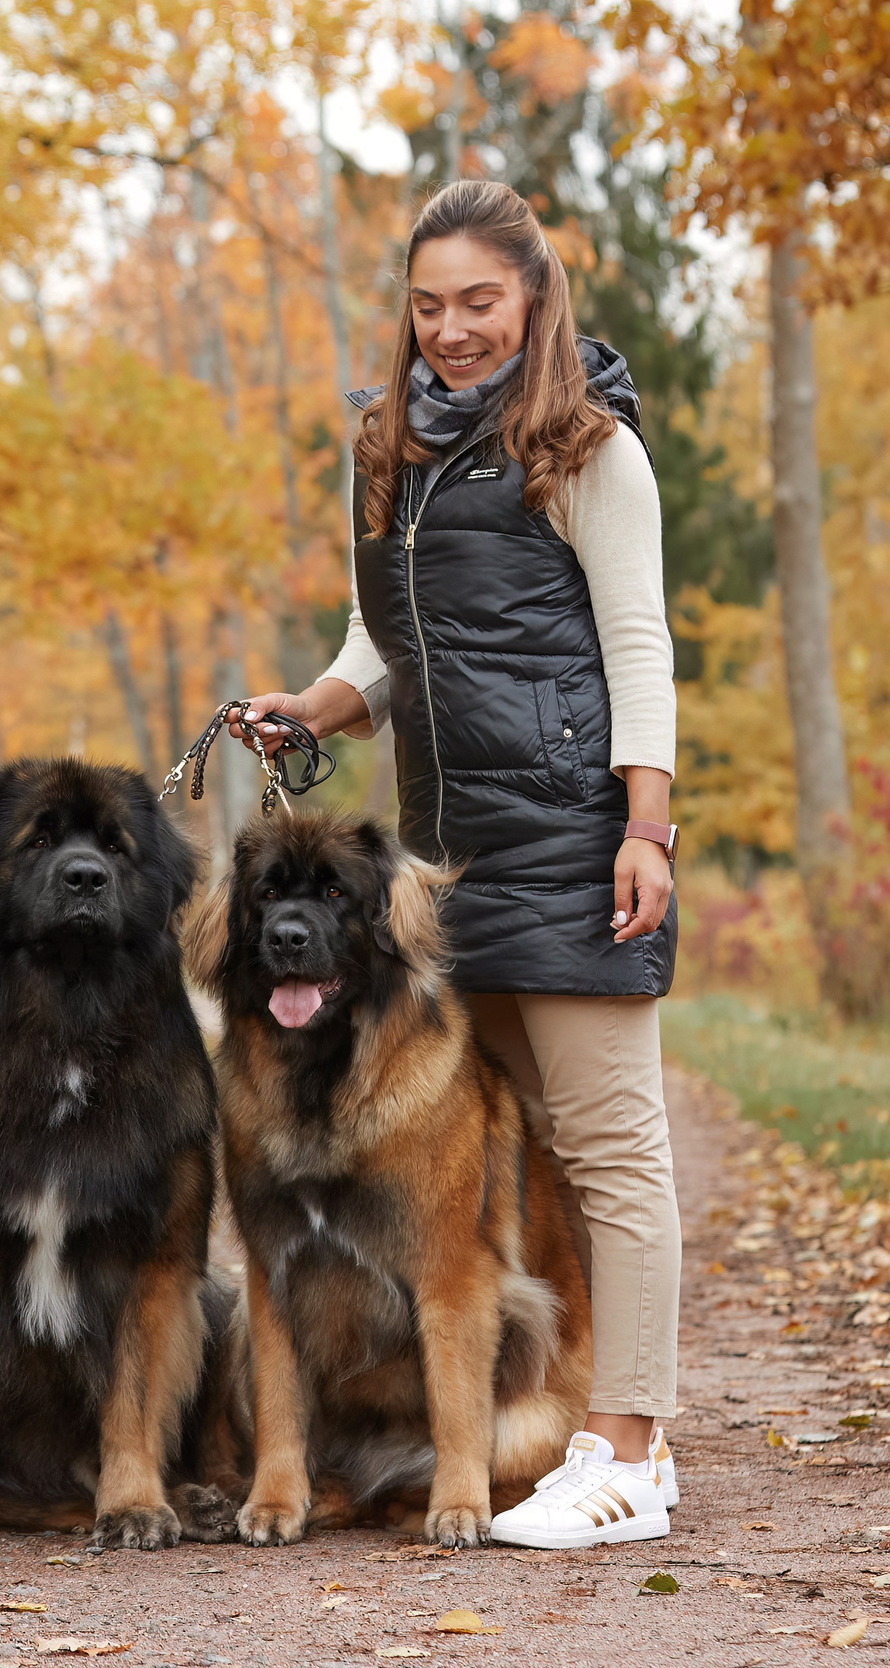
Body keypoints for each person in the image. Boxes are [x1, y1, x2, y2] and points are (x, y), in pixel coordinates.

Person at [228, 178, 682, 1548]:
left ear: (533, 297)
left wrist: (646, 829)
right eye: (428, 307)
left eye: (478, 302)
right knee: (511, 1156)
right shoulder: (393, 447)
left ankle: (635, 1450)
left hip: (577, 841)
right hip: (443, 868)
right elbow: (392, 644)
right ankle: (559, 1416)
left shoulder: (591, 447)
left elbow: (640, 644)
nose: (452, 331)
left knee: (612, 1147)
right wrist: (312, 708)